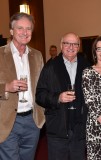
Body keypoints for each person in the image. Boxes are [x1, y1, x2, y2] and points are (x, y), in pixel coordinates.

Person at [36, 32, 89, 160]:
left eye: (75, 44)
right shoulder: (50, 67)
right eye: (67, 43)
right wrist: (57, 98)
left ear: (79, 46)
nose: (71, 47)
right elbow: (39, 95)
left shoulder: (86, 66)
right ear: (61, 45)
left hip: (80, 129)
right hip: (58, 129)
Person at [0, 12, 45, 160]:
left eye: (28, 28)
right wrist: (6, 87)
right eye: (20, 28)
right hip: (7, 121)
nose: (25, 32)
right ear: (11, 31)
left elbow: (42, 87)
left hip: (32, 120)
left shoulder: (37, 55)